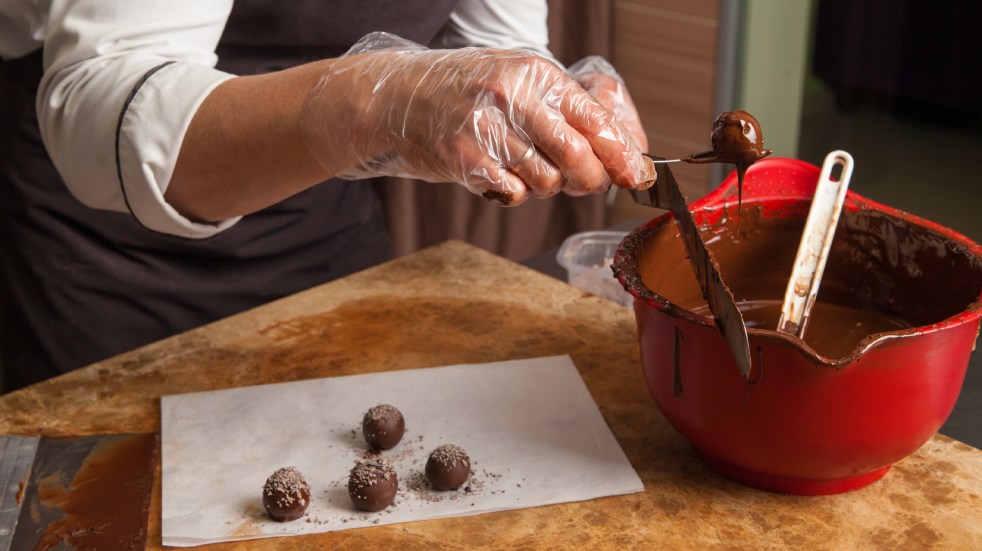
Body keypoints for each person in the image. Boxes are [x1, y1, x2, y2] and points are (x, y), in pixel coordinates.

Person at [0, 0, 652, 391]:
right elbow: (97, 112)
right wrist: (375, 101)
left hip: (323, 219)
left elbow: (490, 44)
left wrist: (550, 99)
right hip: (95, 249)